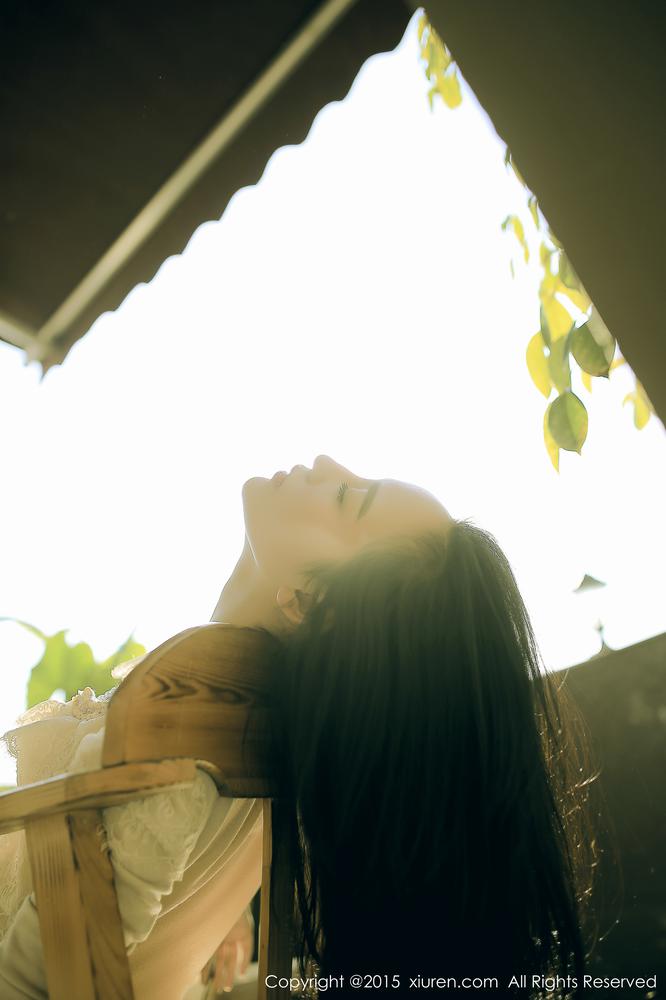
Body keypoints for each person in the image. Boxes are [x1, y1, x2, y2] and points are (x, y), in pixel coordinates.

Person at [0, 454, 596, 998]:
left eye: (346, 498)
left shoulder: (187, 714)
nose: (325, 462)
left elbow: (40, 978)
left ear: (314, 604)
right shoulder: (258, 725)